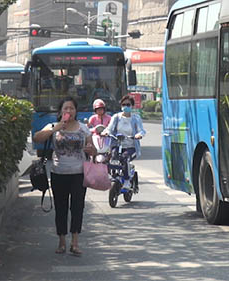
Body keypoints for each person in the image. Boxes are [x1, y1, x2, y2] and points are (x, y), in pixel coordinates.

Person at [33, 96, 96, 255]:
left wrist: (90, 150)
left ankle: (75, 242)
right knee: (60, 208)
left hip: (79, 174)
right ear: (61, 111)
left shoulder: (83, 128)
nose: (69, 111)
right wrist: (54, 129)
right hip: (58, 173)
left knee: (77, 207)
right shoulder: (52, 126)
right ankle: (61, 241)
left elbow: (93, 149)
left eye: (72, 108)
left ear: (76, 111)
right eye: (66, 108)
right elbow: (37, 138)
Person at [102, 95, 146, 188]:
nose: (125, 106)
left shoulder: (136, 118)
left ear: (132, 106)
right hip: (117, 144)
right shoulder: (116, 117)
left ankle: (126, 181)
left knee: (125, 158)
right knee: (113, 156)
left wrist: (139, 135)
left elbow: (141, 130)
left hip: (131, 147)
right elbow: (109, 128)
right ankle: (113, 175)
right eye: (123, 104)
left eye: (128, 104)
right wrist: (105, 132)